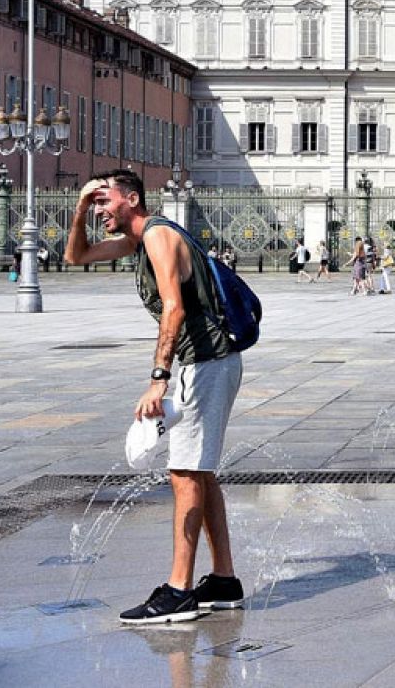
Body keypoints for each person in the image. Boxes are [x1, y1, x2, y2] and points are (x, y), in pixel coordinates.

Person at [63, 169, 246, 623]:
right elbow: (76, 256)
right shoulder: (139, 239)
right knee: (200, 473)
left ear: (132, 198)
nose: (102, 209)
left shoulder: (159, 236)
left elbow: (174, 306)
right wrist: (82, 207)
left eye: (106, 200)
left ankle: (179, 590)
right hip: (207, 362)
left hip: (204, 361)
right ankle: (224, 580)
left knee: (184, 474)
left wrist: (159, 378)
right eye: (97, 203)